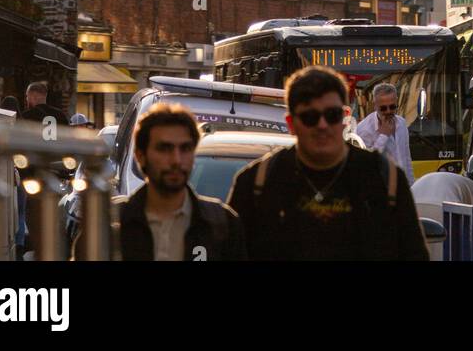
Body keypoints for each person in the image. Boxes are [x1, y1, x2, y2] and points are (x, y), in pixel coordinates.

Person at [228, 66, 428, 262]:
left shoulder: (385, 178)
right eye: (310, 117)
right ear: (291, 124)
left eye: (332, 115)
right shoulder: (256, 184)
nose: (322, 125)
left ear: (345, 118)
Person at [110, 104, 245, 261]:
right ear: (141, 156)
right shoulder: (111, 225)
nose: (176, 160)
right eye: (164, 149)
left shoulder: (222, 225)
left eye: (185, 148)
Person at [354, 82, 414, 185]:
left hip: (402, 185)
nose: (388, 111)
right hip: (379, 188)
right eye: (383, 108)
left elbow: (406, 158)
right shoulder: (364, 129)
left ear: (396, 102)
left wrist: (411, 185)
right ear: (375, 105)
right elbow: (366, 163)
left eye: (392, 107)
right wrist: (383, 135)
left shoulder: (401, 123)